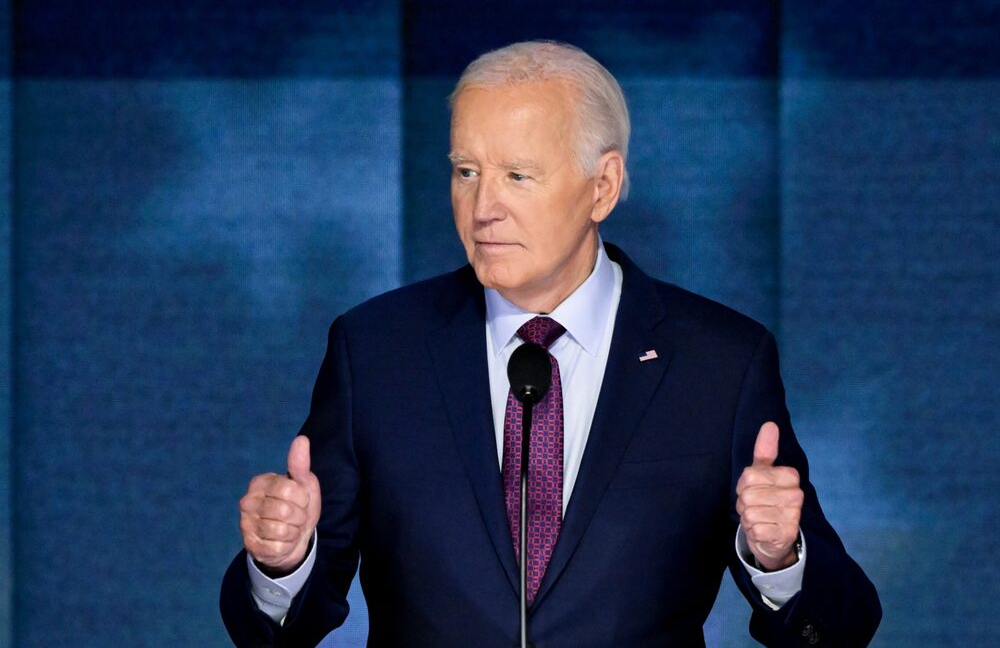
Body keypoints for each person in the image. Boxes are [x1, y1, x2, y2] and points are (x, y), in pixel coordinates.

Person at [221, 41, 881, 647]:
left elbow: (843, 622)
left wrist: (779, 559)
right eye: (466, 171)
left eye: (518, 175)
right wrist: (282, 562)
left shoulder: (719, 363)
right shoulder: (375, 351)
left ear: (603, 186)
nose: (483, 207)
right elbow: (281, 624)